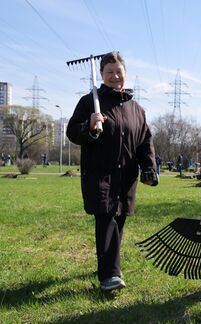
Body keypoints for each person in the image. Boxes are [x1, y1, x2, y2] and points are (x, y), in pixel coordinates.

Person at [66, 51, 159, 292]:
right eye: (109, 72)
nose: (115, 76)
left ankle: (108, 265)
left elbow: (145, 141)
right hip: (100, 174)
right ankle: (110, 276)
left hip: (126, 176)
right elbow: (73, 132)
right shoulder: (89, 102)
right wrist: (89, 125)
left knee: (119, 221)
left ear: (125, 74)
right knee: (106, 219)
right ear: (101, 75)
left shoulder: (136, 109)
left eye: (119, 72)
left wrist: (149, 167)